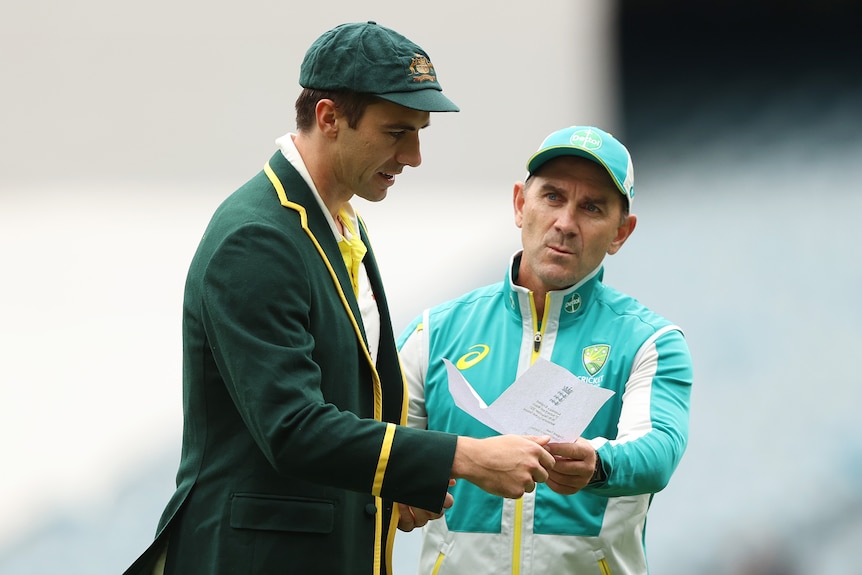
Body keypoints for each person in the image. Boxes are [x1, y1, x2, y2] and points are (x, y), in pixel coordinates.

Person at [122, 21, 556, 575]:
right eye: (397, 132)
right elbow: (294, 429)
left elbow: (353, 406)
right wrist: (463, 457)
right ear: (328, 118)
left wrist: (403, 479)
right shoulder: (255, 237)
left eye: (420, 132)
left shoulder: (337, 218)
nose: (416, 155)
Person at [397, 125, 694, 575]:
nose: (565, 223)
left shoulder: (650, 341)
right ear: (520, 204)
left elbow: (658, 449)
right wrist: (398, 492)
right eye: (553, 197)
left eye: (591, 207)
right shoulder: (433, 333)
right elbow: (380, 448)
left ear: (621, 233)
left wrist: (598, 465)